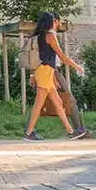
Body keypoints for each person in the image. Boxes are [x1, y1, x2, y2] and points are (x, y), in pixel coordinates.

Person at [24, 12, 86, 141]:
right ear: (51, 21)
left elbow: (45, 57)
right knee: (38, 104)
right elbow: (62, 56)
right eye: (54, 20)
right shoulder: (51, 35)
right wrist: (76, 66)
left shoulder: (40, 36)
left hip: (44, 72)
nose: (56, 22)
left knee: (57, 102)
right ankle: (29, 133)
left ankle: (70, 131)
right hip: (46, 72)